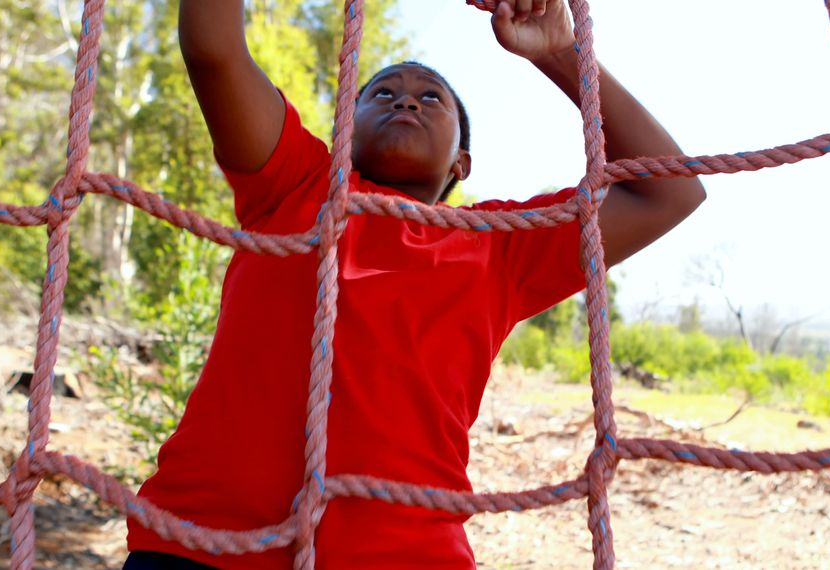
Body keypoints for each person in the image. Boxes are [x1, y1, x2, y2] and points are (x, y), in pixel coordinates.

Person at [125, 1, 706, 568]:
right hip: (201, 545)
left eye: (432, 97)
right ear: (345, 135)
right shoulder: (293, 184)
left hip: (404, 554)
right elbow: (213, 49)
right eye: (381, 93)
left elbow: (671, 191)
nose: (406, 98)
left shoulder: (497, 245)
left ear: (462, 163)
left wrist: (559, 54)